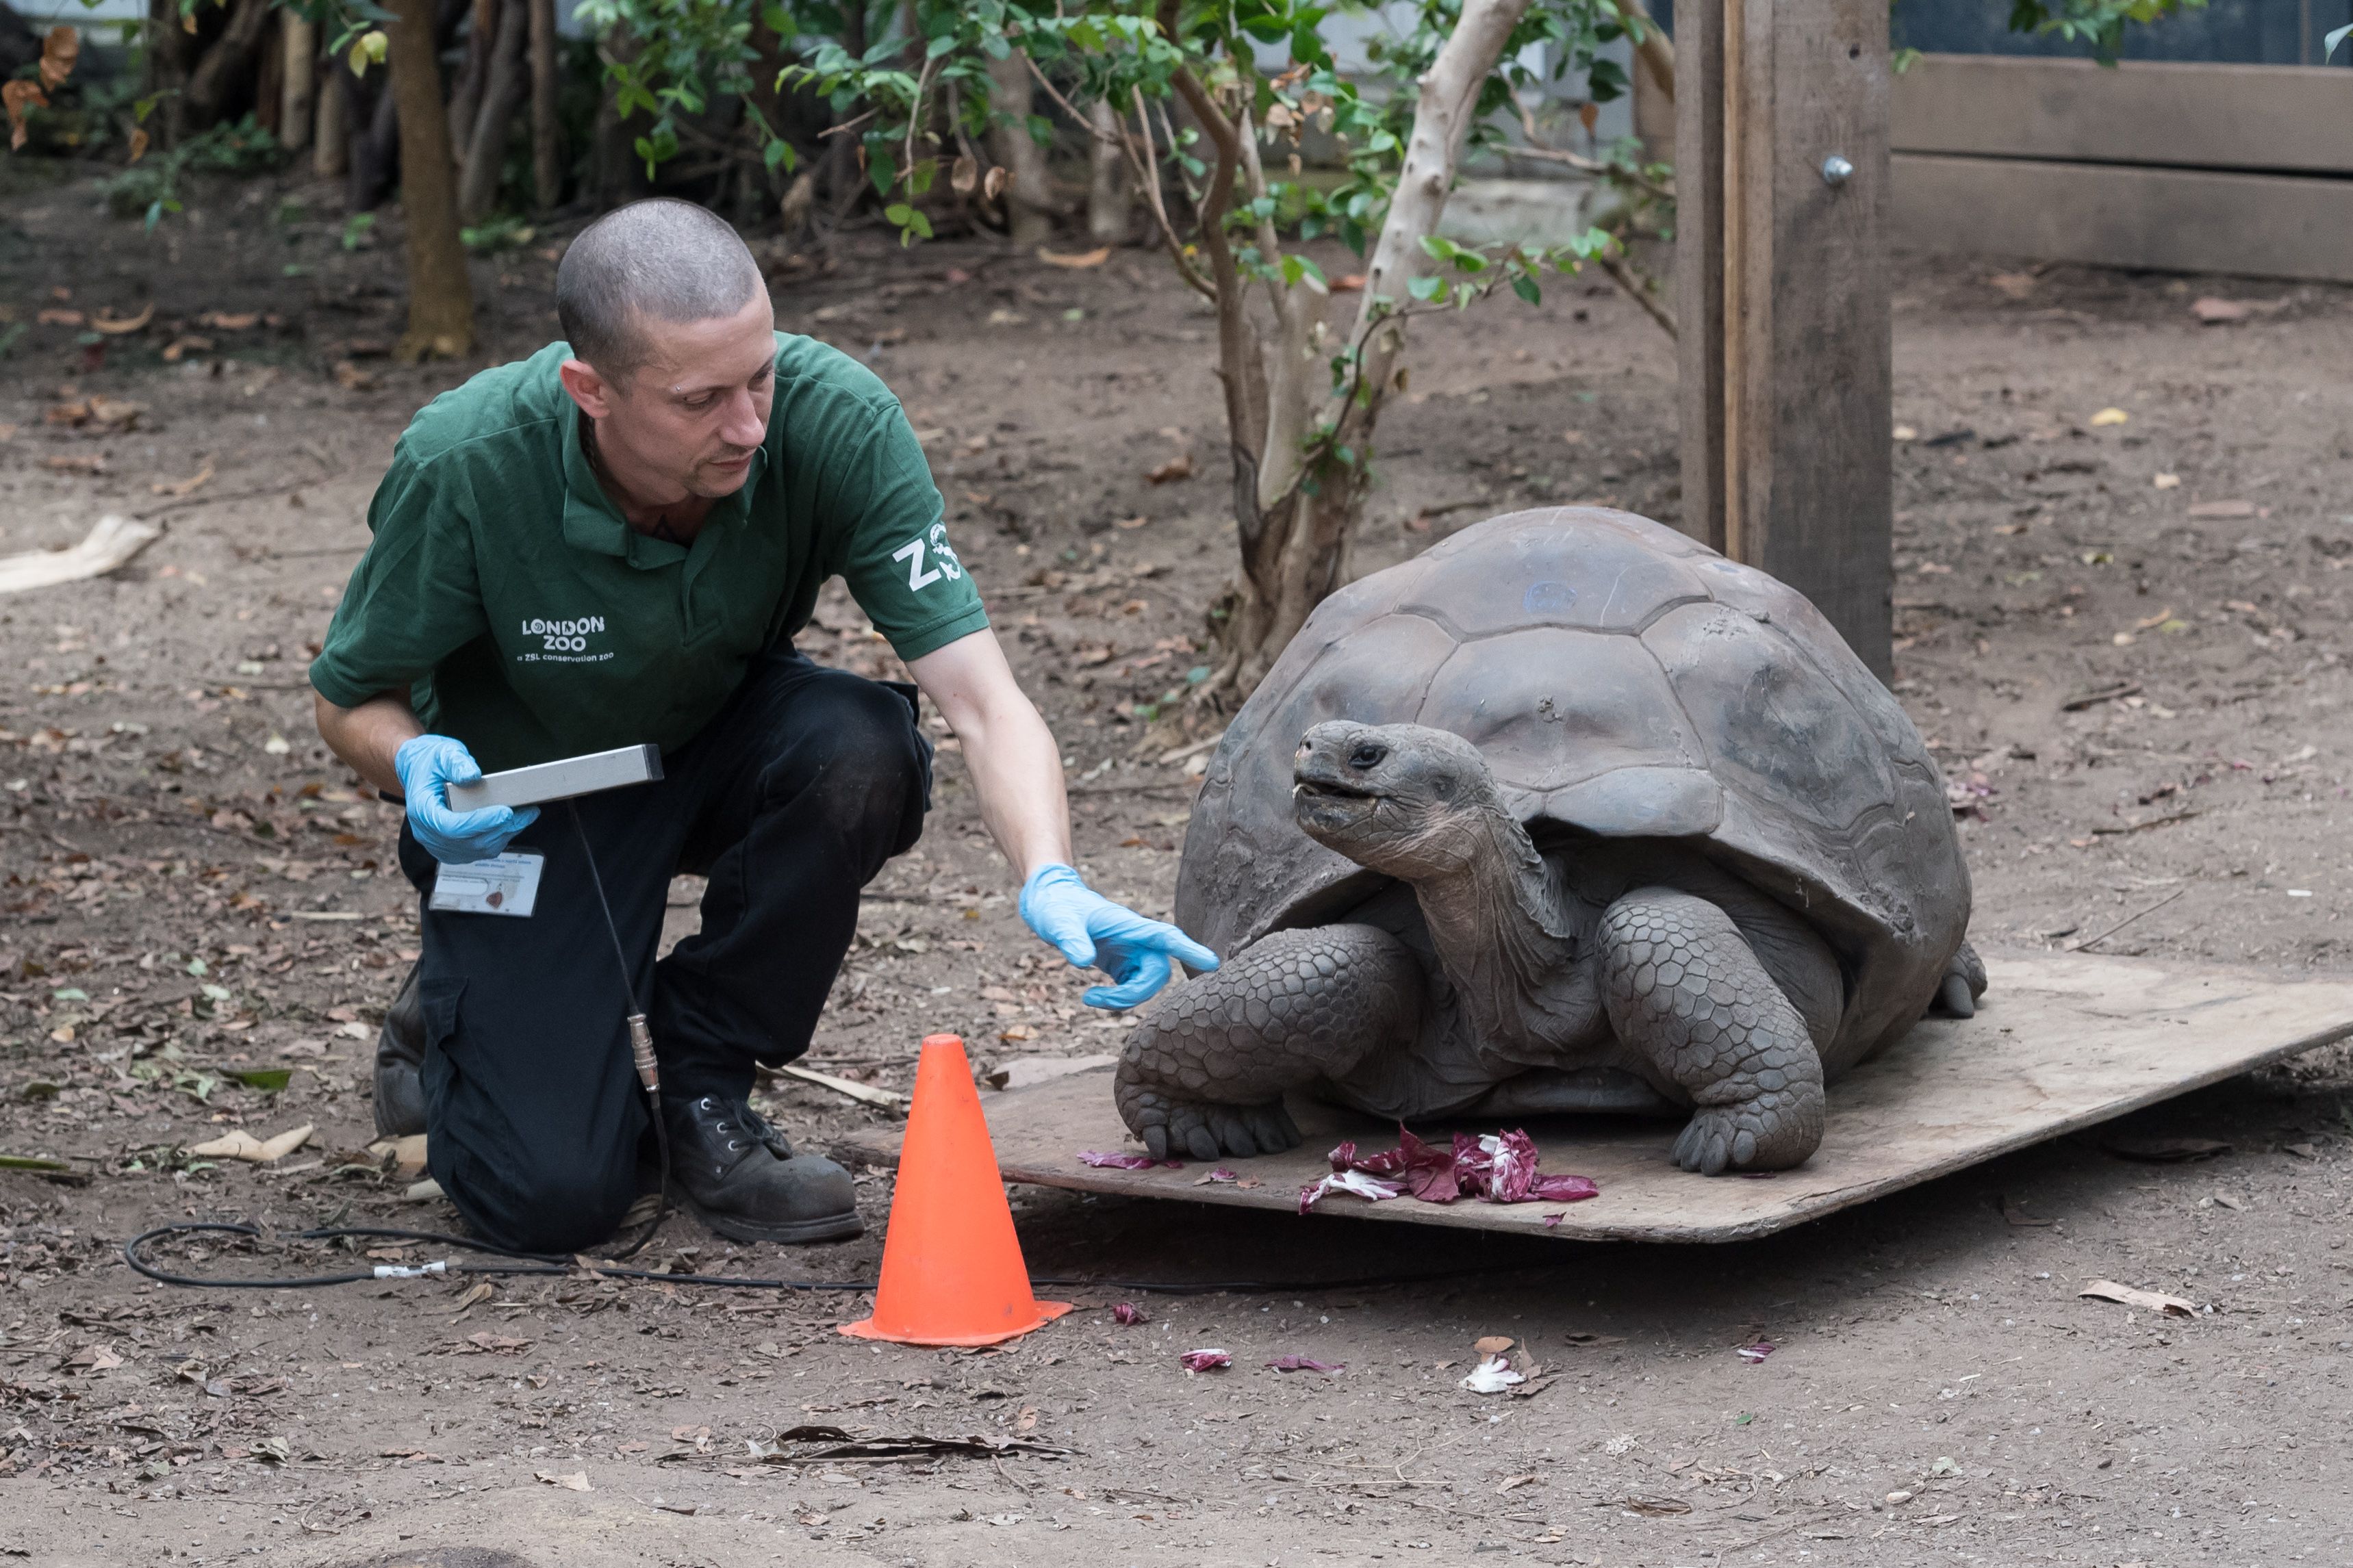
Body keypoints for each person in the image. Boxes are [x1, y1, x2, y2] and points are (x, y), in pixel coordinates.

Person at [309, 198, 1217, 1255]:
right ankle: (452, 1016)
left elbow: (983, 698)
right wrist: (413, 756)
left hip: (717, 741)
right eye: (700, 399)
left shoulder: (835, 419)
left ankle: (703, 1082)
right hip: (529, 807)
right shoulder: (466, 462)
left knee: (856, 750)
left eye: (759, 377)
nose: (747, 425)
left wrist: (1051, 873)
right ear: (589, 390)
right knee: (551, 1202)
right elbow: (347, 699)